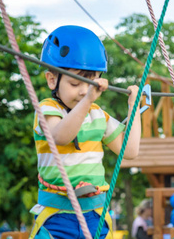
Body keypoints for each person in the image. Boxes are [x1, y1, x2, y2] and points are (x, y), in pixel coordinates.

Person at [29, 25, 142, 239]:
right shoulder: (47, 109)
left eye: (90, 84)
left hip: (95, 214)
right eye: (75, 83)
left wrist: (133, 109)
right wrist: (89, 99)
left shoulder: (97, 114)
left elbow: (129, 151)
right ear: (52, 80)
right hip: (57, 216)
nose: (83, 91)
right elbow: (61, 136)